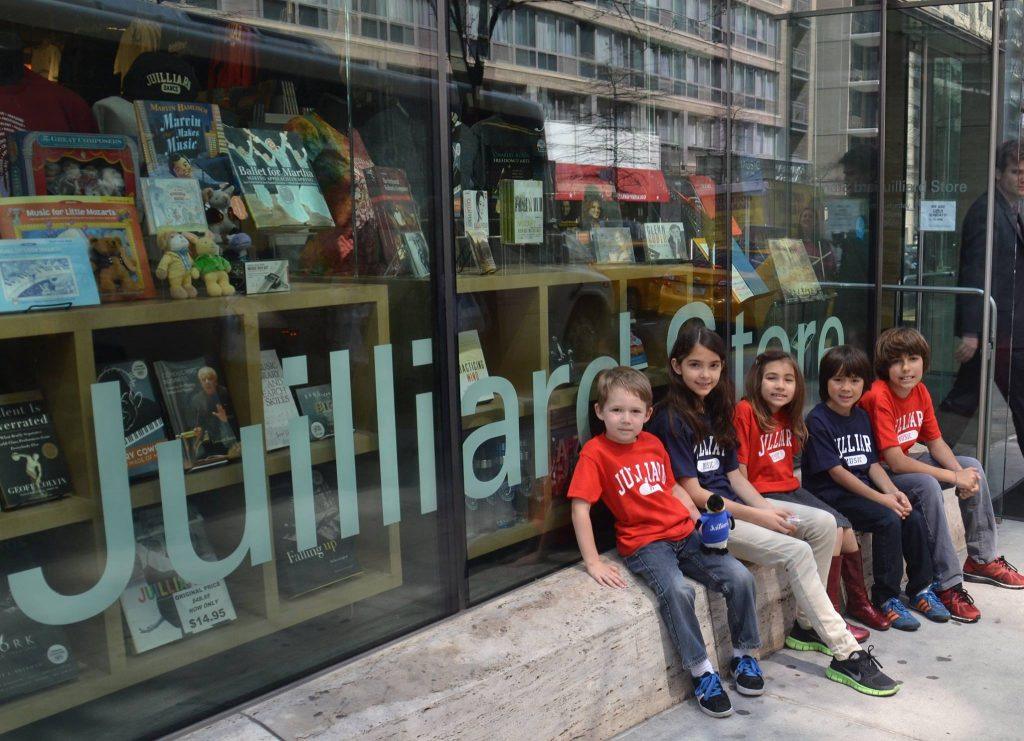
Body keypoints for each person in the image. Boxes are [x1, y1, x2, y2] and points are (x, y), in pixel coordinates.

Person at [648, 327, 899, 696]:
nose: (705, 374)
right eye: (695, 365)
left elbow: (734, 476)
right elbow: (695, 493)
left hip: (736, 505)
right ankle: (846, 651)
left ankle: (806, 625)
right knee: (796, 551)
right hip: (709, 521)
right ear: (676, 366)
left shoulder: (717, 408)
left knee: (823, 523)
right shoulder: (670, 418)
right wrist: (760, 517)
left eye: (713, 365)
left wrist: (767, 508)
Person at [568, 366, 761, 718]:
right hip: (645, 544)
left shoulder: (653, 443)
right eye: (616, 410)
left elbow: (672, 487)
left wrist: (698, 519)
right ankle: (702, 673)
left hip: (684, 533)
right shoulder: (595, 453)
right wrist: (593, 561)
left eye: (634, 411)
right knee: (678, 590)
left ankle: (744, 655)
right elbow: (580, 508)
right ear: (599, 411)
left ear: (648, 414)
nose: (625, 419)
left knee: (740, 576)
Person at [860, 327, 1024, 621]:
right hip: (876, 472)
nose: (906, 368)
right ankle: (945, 583)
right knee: (927, 485)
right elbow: (896, 462)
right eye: (897, 361)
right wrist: (953, 478)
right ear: (885, 365)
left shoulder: (920, 391)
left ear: (924, 361)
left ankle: (981, 559)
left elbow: (935, 442)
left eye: (913, 359)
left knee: (972, 465)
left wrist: (962, 475)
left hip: (902, 463)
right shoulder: (878, 395)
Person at [735, 350, 891, 637]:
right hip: (764, 495)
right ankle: (825, 616)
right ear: (757, 380)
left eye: (788, 379)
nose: (780, 386)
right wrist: (759, 511)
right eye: (772, 378)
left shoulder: (787, 414)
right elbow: (740, 474)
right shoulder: (746, 411)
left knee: (846, 529)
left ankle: (854, 605)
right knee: (835, 528)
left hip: (791, 489)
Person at [803, 345, 938, 632]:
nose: (846, 388)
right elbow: (838, 473)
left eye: (854, 381)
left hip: (861, 491)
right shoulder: (817, 419)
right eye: (838, 380)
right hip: (832, 495)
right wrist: (882, 500)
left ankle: (921, 588)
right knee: (888, 518)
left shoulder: (861, 417)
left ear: (864, 383)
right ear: (825, 381)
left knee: (910, 515)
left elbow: (872, 464)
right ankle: (886, 597)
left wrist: (893, 493)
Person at [941, 140, 1024, 462]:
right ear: (998, 173)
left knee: (965, 396)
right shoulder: (986, 212)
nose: (1021, 179)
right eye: (1015, 171)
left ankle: (930, 453)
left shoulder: (1012, 209)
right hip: (995, 331)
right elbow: (974, 273)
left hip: (1005, 329)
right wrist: (972, 332)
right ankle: (928, 454)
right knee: (971, 397)